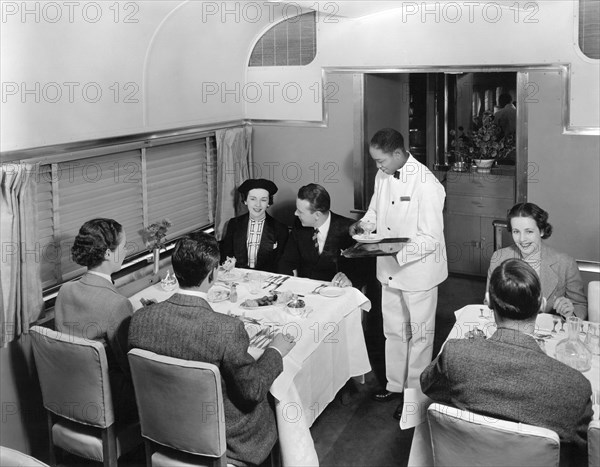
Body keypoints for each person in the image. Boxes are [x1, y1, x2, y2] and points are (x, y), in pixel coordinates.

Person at [128, 233, 295, 467]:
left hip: (163, 428)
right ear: (213, 274)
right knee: (276, 401)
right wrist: (275, 351)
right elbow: (253, 391)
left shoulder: (140, 319)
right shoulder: (228, 329)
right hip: (227, 441)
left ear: (175, 271)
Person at [422, 259, 593, 464]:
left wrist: (473, 349)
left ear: (488, 302)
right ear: (542, 304)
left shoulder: (456, 354)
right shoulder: (576, 387)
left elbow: (427, 384)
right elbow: (584, 452)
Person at [350, 128, 447, 420]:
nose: (378, 167)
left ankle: (414, 396)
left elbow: (430, 239)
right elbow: (374, 214)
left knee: (419, 336)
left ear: (397, 153)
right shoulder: (383, 176)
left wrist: (396, 252)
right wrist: (363, 227)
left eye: (381, 161)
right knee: (393, 331)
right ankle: (395, 385)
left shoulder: (428, 184)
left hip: (418, 272)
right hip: (388, 269)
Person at [54, 218, 136, 422]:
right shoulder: (117, 304)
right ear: (108, 253)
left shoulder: (64, 291)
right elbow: (130, 364)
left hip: (68, 391)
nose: (126, 251)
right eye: (124, 246)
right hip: (108, 401)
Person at [487, 202, 587, 319]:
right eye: (516, 232)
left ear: (542, 231)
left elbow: (580, 305)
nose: (522, 239)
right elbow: (490, 303)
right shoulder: (499, 257)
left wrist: (570, 312)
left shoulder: (565, 263)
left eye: (529, 231)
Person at [278, 183, 355, 287]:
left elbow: (362, 271)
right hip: (306, 291)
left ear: (317, 215)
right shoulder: (299, 224)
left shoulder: (349, 229)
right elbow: (287, 261)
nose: (296, 213)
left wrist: (349, 280)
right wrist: (291, 284)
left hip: (335, 292)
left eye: (300, 211)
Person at [220, 178, 289, 273]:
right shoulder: (233, 224)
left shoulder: (280, 229)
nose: (258, 204)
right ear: (245, 201)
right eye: (253, 199)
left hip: (266, 280)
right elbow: (226, 254)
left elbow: (283, 263)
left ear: (269, 203)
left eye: (263, 200)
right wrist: (228, 262)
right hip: (239, 277)